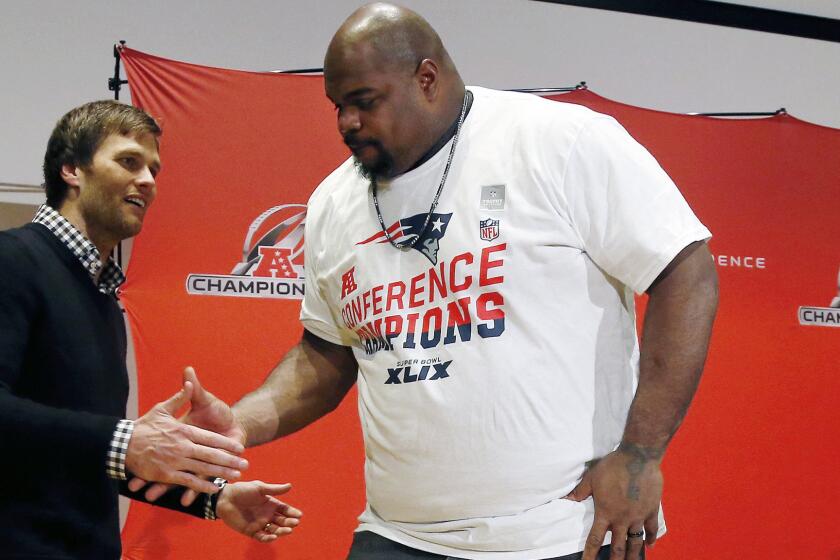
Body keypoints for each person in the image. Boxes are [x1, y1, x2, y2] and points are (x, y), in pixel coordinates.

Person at [144, 3, 718, 559]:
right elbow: (325, 356)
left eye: (364, 102)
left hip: (561, 533)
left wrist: (641, 452)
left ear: (427, 78)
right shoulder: (332, 203)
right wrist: (239, 425)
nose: (346, 122)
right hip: (398, 537)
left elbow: (684, 270)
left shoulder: (559, 142)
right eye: (338, 105)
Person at [0, 100, 301, 559]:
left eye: (153, 170)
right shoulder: (12, 260)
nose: (148, 181)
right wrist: (125, 440)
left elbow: (80, 452)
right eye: (128, 161)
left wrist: (213, 498)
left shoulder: (100, 296)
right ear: (71, 170)